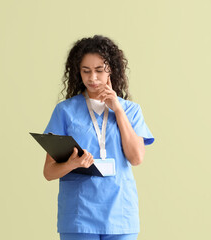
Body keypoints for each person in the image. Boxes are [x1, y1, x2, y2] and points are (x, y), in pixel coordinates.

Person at [42, 35, 155, 240]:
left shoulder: (131, 110)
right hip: (79, 217)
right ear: (78, 72)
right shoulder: (65, 111)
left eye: (99, 71)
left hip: (120, 215)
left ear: (111, 70)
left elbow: (137, 158)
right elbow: (49, 172)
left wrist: (118, 110)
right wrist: (73, 164)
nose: (92, 78)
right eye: (86, 71)